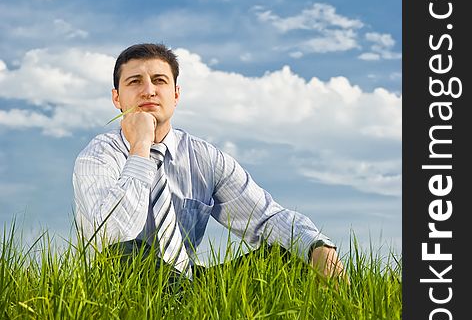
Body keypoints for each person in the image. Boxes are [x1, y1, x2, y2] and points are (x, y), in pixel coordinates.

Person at [73, 43, 346, 281]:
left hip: (187, 281)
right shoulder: (97, 156)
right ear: (116, 98)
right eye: (134, 82)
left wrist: (317, 246)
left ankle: (189, 306)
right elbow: (111, 234)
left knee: (288, 253)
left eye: (159, 80)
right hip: (121, 287)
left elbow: (265, 218)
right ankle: (186, 310)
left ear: (176, 94)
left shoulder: (204, 157)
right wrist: (141, 147)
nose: (148, 91)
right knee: (126, 254)